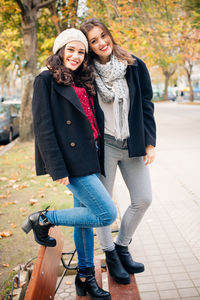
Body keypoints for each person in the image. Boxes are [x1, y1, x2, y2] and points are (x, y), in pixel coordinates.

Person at [21, 28, 117, 300]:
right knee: (106, 214)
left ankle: (85, 277)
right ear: (60, 50)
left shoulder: (82, 79)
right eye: (71, 50)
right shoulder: (45, 80)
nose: (75, 56)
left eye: (81, 52)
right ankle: (43, 218)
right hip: (72, 162)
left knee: (85, 223)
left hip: (92, 154)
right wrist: (57, 168)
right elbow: (43, 128)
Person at [80, 18, 156, 285]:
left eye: (103, 36)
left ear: (109, 35)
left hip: (132, 142)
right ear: (88, 47)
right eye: (94, 40)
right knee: (104, 207)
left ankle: (122, 246)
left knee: (143, 199)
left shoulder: (133, 65)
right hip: (105, 147)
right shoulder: (86, 73)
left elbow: (146, 103)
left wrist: (150, 142)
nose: (102, 43)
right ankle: (110, 254)